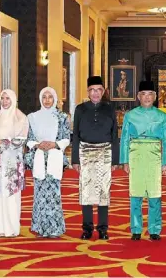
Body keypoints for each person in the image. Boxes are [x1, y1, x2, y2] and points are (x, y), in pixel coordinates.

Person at [120, 80, 166, 241]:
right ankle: (136, 228)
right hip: (135, 155)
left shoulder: (162, 116)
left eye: (150, 94)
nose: (147, 97)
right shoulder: (130, 115)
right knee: (135, 193)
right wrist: (125, 161)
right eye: (144, 94)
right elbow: (124, 139)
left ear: (155, 96)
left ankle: (155, 228)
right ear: (138, 96)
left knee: (155, 194)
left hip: (154, 156)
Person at [72, 76, 119, 240]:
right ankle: (87, 228)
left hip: (105, 152)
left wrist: (115, 160)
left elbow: (114, 135)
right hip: (85, 152)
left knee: (103, 191)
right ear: (88, 91)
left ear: (103, 91)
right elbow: (75, 135)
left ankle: (103, 228)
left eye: (98, 90)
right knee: (86, 191)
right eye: (92, 90)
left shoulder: (109, 109)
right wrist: (75, 160)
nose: (95, 93)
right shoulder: (80, 109)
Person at [25, 87, 70, 238]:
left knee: (53, 195)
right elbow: (29, 139)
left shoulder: (62, 117)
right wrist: (37, 145)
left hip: (54, 158)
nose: (47, 100)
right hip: (39, 159)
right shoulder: (32, 117)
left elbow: (66, 138)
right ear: (40, 99)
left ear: (55, 99)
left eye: (50, 97)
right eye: (44, 97)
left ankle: (55, 229)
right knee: (39, 195)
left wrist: (54, 144)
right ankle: (40, 229)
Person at [0, 89, 29, 237]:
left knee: (12, 195)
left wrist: (3, 142)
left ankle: (12, 228)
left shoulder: (21, 117)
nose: (5, 101)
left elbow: (21, 141)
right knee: (0, 195)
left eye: (8, 98)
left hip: (13, 162)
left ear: (13, 100)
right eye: (2, 98)